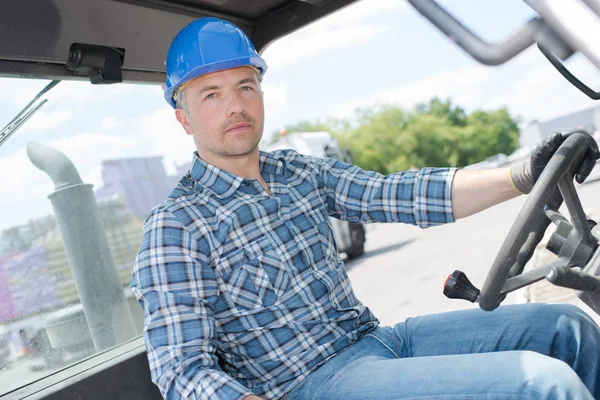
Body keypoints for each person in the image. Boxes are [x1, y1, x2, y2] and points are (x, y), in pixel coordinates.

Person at [131, 17, 600, 400]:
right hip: (313, 385)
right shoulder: (177, 227)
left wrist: (523, 175)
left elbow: (397, 193)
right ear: (183, 117)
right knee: (542, 386)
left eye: (245, 86)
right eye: (211, 94)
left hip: (382, 341)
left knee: (568, 329)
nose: (235, 105)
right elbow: (183, 372)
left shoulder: (297, 172)